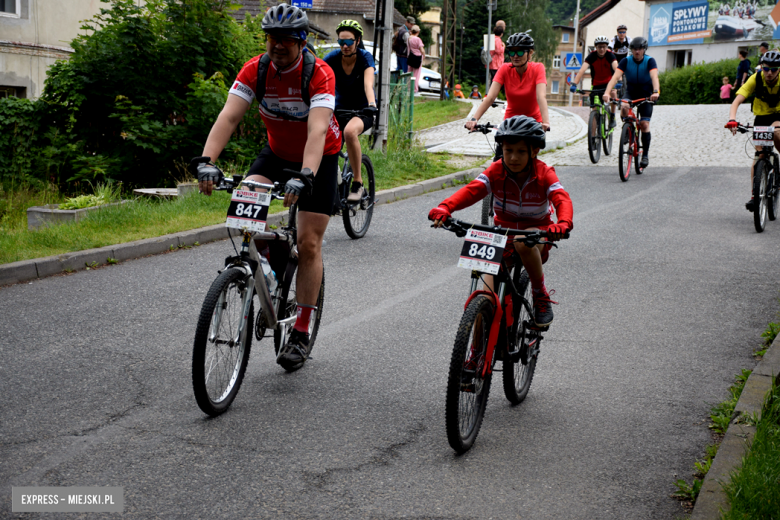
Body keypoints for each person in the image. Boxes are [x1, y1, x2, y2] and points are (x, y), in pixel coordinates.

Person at [191, 3, 340, 370]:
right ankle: (271, 260)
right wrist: (207, 162)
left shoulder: (318, 73)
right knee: (245, 212)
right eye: (272, 38)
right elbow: (229, 116)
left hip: (317, 158)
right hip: (275, 153)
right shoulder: (255, 70)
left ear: (302, 41)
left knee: (308, 242)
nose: (277, 46)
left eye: (286, 40)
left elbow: (318, 130)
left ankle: (301, 330)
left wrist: (305, 174)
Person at [428, 116, 573, 327]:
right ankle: (476, 355)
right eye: (508, 151)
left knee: (522, 240)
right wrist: (445, 207)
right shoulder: (496, 170)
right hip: (501, 237)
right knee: (483, 301)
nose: (513, 157)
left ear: (534, 151)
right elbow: (472, 190)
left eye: (521, 151)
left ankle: (540, 295)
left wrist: (563, 223)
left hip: (535, 235)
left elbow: (561, 198)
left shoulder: (544, 173)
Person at [466, 32, 550, 161]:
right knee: (499, 163)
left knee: (528, 163)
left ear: (530, 53)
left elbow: (541, 97)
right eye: (511, 52)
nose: (515, 56)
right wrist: (474, 119)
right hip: (510, 123)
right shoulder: (505, 69)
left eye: (520, 52)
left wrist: (545, 122)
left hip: (532, 123)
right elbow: (490, 97)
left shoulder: (538, 68)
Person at [324, 20, 377, 203]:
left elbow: (368, 84)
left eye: (349, 42)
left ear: (358, 40)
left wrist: (371, 104)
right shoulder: (331, 58)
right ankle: (332, 186)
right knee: (323, 141)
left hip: (363, 110)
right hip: (339, 110)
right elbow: (317, 77)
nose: (344, 46)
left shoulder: (365, 58)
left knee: (349, 132)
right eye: (341, 42)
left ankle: (358, 183)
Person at [726, 51, 780, 212]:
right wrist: (732, 119)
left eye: (774, 69)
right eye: (766, 68)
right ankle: (754, 195)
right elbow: (737, 101)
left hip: (778, 115)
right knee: (759, 156)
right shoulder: (756, 78)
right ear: (762, 67)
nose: (769, 72)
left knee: (777, 132)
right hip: (761, 117)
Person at [603, 36, 660, 169]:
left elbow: (654, 77)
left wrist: (656, 92)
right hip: (631, 91)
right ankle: (628, 130)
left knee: (645, 124)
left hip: (647, 93)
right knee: (623, 106)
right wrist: (607, 92)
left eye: (639, 49)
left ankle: (645, 155)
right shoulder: (625, 61)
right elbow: (615, 77)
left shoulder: (650, 61)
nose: (637, 51)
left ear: (644, 49)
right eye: (634, 49)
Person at [570, 35, 619, 128]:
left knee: (613, 93)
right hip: (596, 84)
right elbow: (581, 70)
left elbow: (617, 69)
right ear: (596, 47)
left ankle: (612, 116)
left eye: (604, 47)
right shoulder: (592, 55)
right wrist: (574, 84)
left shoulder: (610, 55)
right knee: (594, 110)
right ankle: (593, 139)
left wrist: (619, 81)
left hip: (609, 84)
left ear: (607, 47)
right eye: (599, 47)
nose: (601, 49)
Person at [407, 25, 424, 93]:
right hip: (418, 58)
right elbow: (421, 49)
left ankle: (408, 87)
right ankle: (415, 89)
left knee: (409, 73)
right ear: (418, 31)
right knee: (416, 74)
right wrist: (424, 55)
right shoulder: (418, 39)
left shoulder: (409, 38)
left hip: (411, 57)